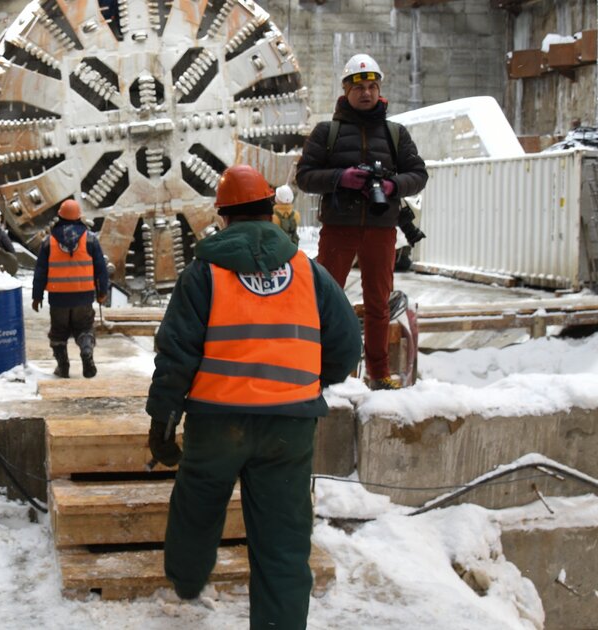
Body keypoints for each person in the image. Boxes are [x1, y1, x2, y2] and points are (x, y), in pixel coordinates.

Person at [146, 165, 361, 630]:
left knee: (197, 503)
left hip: (216, 422)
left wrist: (162, 423)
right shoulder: (309, 273)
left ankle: (186, 578)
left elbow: (175, 355)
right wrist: (305, 383)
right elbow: (347, 343)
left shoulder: (203, 275)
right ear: (270, 210)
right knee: (284, 541)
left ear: (222, 216)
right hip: (290, 427)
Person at [295, 53, 428, 390]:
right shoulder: (327, 132)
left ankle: (379, 374)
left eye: (372, 86)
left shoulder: (395, 134)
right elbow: (305, 177)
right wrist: (342, 177)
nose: (366, 93)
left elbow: (418, 174)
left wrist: (392, 185)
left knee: (378, 305)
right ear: (346, 90)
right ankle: (316, 369)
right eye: (359, 87)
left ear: (379, 89)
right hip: (339, 227)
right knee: (324, 300)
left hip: (381, 230)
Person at [31, 199, 110, 379]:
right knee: (85, 328)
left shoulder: (48, 242)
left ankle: (63, 367)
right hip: (83, 297)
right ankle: (86, 351)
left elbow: (40, 272)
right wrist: (102, 292)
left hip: (58, 297)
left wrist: (37, 297)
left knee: (58, 333)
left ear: (59, 216)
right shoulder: (90, 239)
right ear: (79, 217)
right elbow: (101, 269)